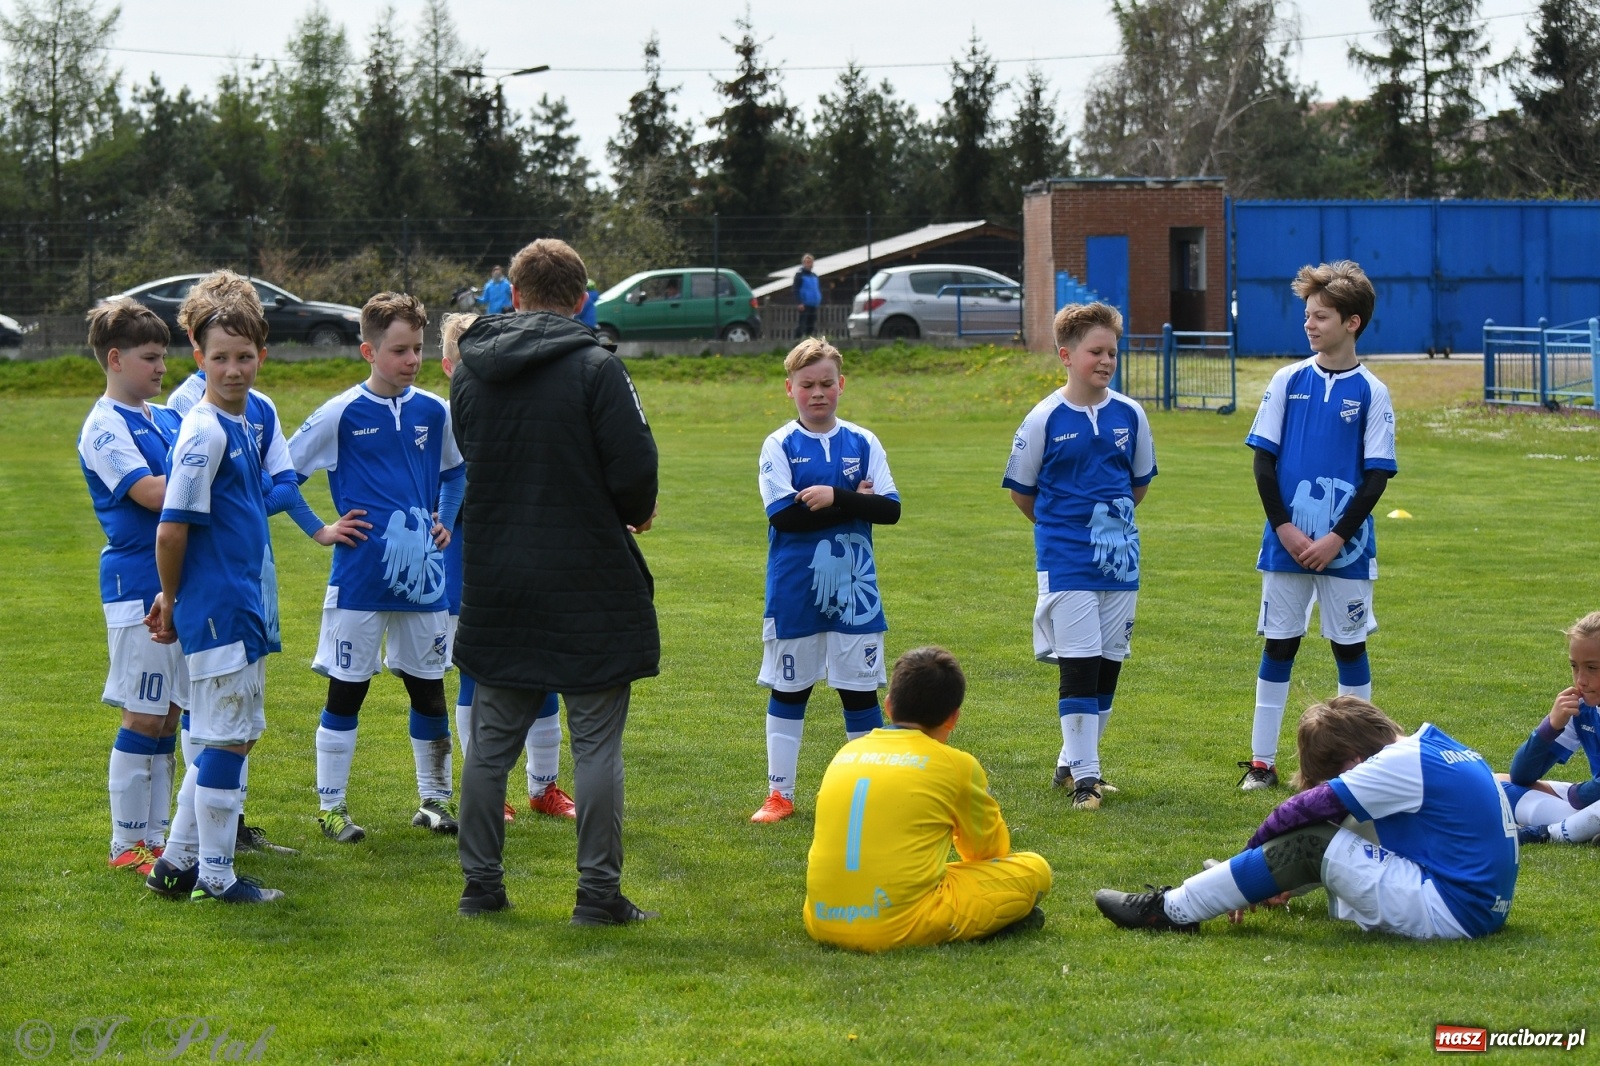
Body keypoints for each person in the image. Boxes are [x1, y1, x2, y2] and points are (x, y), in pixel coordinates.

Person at [449, 238, 660, 924]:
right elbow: (634, 470)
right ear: (580, 298)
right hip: (587, 575)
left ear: (513, 296)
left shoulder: (470, 371)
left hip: (498, 575)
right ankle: (597, 895)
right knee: (597, 743)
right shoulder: (598, 368)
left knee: (490, 747)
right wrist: (631, 512)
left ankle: (481, 886)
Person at [143, 275, 357, 903]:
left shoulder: (247, 418)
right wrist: (172, 599)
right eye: (220, 358)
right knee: (228, 737)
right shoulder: (205, 431)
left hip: (240, 602)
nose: (233, 370)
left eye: (243, 357)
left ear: (262, 356)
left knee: (222, 734)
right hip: (218, 609)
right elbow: (171, 529)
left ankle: (176, 865)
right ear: (198, 359)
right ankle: (216, 878)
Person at [1096, 696, 1519, 939]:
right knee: (1342, 826)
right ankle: (1254, 885)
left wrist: (1245, 857)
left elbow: (1297, 811)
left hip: (1452, 910)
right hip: (1477, 906)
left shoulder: (1397, 764)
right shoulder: (1426, 747)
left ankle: (1171, 910)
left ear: (1353, 761)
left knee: (1311, 840)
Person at [288, 293, 466, 843]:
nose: (411, 360)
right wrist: (321, 528)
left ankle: (435, 801)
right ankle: (332, 807)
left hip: (423, 582)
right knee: (348, 691)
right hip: (361, 579)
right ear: (368, 350)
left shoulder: (435, 411)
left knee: (428, 688)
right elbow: (281, 476)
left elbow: (457, 474)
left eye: (416, 348)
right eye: (398, 350)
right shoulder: (341, 412)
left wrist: (445, 520)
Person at [1238, 261, 1396, 792]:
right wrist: (1285, 529)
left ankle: (1368, 765)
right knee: (1279, 646)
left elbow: (1376, 477)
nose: (1309, 324)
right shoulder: (1288, 380)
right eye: (1307, 315)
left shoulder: (1373, 391)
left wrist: (1335, 538)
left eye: (1321, 316)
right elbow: (1263, 463)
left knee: (1348, 648)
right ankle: (1262, 764)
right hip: (1285, 546)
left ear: (1352, 322)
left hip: (1345, 551)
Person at [1002, 302, 1155, 810]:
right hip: (1067, 561)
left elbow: (1136, 485)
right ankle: (1087, 780)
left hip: (1121, 562)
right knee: (1080, 667)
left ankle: (1071, 766)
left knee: (1109, 667)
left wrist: (1111, 532)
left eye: (1113, 350)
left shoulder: (1131, 414)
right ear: (1066, 355)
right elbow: (1023, 493)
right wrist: (1064, 532)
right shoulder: (1043, 418)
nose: (1107, 360)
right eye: (1096, 351)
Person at [804, 646, 1052, 951]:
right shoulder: (954, 764)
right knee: (1035, 869)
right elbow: (987, 852)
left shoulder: (846, 753)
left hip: (821, 918)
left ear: (889, 706)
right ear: (953, 718)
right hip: (897, 925)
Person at [752, 338, 901, 824]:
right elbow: (783, 517)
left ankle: (869, 793)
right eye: (807, 385)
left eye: (827, 383)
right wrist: (854, 502)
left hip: (855, 597)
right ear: (789, 388)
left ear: (842, 384)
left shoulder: (864, 441)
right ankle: (780, 795)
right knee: (790, 689)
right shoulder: (779, 445)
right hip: (796, 591)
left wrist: (829, 496)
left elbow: (891, 510)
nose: (818, 393)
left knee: (858, 692)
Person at [438, 311, 574, 823]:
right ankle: (486, 787)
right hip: (467, 564)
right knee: (477, 671)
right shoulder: (442, 417)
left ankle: (545, 787)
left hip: (530, 560)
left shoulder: (521, 408)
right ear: (451, 365)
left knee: (544, 671)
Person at [78, 299, 187, 878]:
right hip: (135, 585)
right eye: (150, 358)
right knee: (142, 714)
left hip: (174, 584)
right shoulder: (103, 427)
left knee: (168, 712)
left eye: (164, 357)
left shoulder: (161, 417)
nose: (160, 368)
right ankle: (126, 843)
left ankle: (157, 835)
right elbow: (151, 493)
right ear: (115, 359)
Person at [1500, 611, 1600, 844]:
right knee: (1495, 784)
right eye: (1575, 666)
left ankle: (1548, 832)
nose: (1580, 680)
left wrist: (1573, 797)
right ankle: (1581, 826)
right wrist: (1550, 726)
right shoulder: (1581, 709)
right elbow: (1522, 775)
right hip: (1591, 804)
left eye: (1592, 668)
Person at [793, 254, 821, 338]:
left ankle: (809, 342)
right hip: (804, 304)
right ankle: (796, 341)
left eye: (810, 262)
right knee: (802, 325)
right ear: (803, 263)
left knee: (811, 325)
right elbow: (796, 290)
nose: (809, 264)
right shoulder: (799, 275)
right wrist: (799, 302)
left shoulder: (814, 276)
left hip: (813, 304)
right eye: (807, 262)